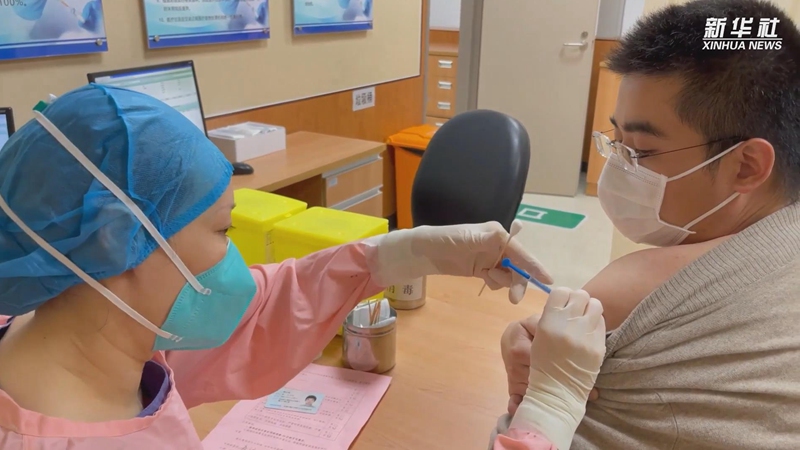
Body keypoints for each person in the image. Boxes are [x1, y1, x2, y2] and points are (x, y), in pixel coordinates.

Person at [0, 83, 557, 448]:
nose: (234, 258)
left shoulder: (100, 335)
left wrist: (410, 253)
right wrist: (548, 415)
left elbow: (266, 311)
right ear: (118, 240)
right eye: (222, 231)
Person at [495, 0, 800, 448]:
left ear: (746, 166)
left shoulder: (628, 288)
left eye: (641, 151)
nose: (619, 168)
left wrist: (549, 398)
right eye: (616, 141)